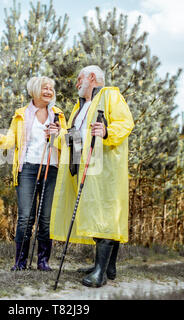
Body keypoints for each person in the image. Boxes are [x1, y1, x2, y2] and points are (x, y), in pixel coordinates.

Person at [49, 65, 135, 287]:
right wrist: (57, 135)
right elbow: (74, 139)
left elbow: (125, 123)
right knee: (96, 214)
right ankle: (107, 266)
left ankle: (101, 272)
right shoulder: (81, 107)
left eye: (79, 79)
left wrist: (107, 132)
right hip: (84, 168)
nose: (77, 83)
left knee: (104, 215)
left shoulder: (110, 95)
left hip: (105, 169)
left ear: (92, 78)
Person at [0, 76, 67, 271]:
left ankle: (43, 261)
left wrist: (58, 134)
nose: (49, 91)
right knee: (25, 218)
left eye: (51, 89)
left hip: (51, 167)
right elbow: (10, 141)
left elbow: (67, 142)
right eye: (45, 88)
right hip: (28, 169)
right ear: (35, 91)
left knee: (46, 218)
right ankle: (20, 262)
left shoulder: (58, 115)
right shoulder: (21, 114)